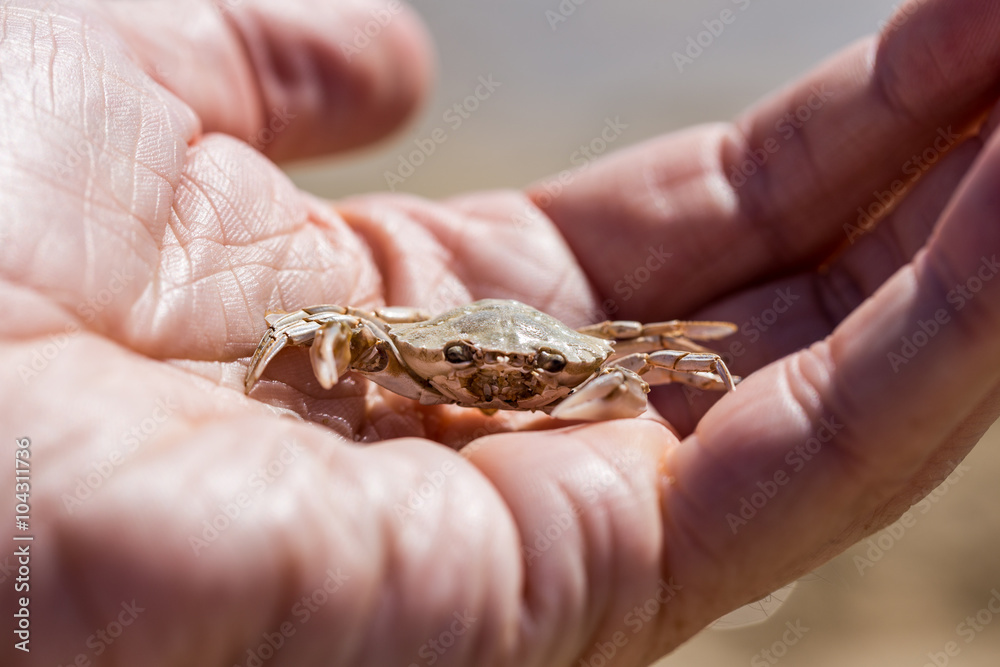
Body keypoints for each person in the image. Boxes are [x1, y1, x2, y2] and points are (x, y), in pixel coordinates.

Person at [3, 0, 999, 665]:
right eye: (479, 367)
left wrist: (635, 372)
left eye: (528, 372)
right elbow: (327, 323)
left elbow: (660, 350)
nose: (501, 380)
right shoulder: (398, 348)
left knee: (660, 349)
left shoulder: (576, 357)